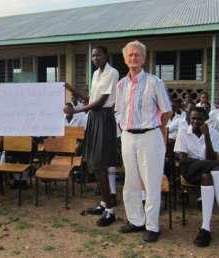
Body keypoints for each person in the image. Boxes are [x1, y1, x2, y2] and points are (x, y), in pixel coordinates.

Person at [115, 40, 172, 242]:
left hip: (150, 136)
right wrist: (123, 128)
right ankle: (135, 220)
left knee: (151, 182)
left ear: (144, 58)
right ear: (124, 59)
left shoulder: (154, 82)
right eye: (130, 55)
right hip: (128, 137)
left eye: (137, 55)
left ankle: (152, 226)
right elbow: (119, 111)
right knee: (130, 182)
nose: (133, 58)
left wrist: (156, 131)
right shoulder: (121, 84)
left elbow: (166, 112)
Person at [66, 45, 119, 227]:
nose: (95, 58)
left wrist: (76, 110)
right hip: (93, 118)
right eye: (93, 55)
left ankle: (110, 212)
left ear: (106, 55)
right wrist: (71, 89)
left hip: (104, 118)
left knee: (100, 164)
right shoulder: (96, 74)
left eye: (98, 55)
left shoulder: (112, 73)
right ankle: (104, 203)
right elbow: (90, 99)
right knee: (94, 164)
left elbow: (101, 102)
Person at [174, 107, 219, 247]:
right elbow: (183, 159)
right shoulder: (183, 132)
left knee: (208, 175)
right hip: (189, 171)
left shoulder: (212, 132)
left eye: (199, 119)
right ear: (189, 119)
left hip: (206, 172)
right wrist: (207, 163)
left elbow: (211, 157)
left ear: (205, 120)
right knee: (216, 166)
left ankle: (205, 228)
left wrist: (207, 136)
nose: (196, 121)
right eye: (193, 118)